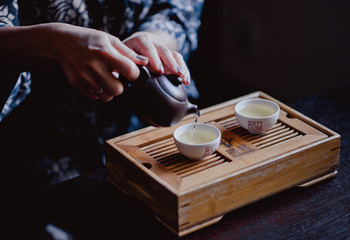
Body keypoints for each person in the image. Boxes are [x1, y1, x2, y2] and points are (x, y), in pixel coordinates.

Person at [0, 0, 204, 199]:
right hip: (35, 156)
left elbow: (179, 8)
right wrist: (51, 41)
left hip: (136, 142)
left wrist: (153, 41)